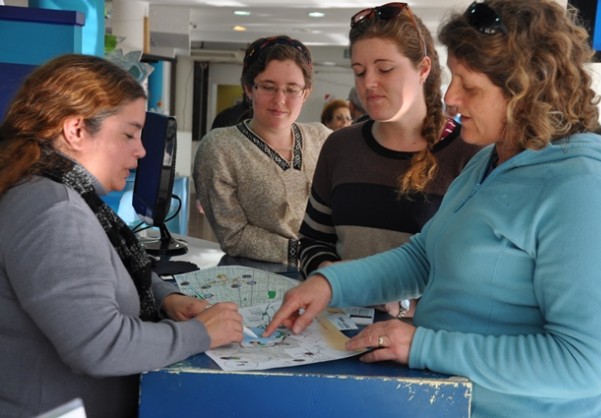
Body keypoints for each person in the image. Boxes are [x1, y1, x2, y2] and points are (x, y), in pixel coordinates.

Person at [267, 1, 601, 417]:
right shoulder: (489, 160)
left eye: (469, 86)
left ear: (526, 90)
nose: (451, 96)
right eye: (453, 77)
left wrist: (422, 346)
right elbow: (424, 256)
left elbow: (580, 363)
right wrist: (332, 284)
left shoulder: (581, 188)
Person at [0, 54, 245, 418]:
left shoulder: (65, 192)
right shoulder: (53, 210)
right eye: (129, 134)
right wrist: (201, 333)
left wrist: (166, 298)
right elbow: (98, 345)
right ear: (76, 130)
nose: (141, 150)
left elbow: (108, 262)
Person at [298, 2, 480, 317]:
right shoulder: (339, 146)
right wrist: (332, 277)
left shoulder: (470, 155)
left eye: (385, 69)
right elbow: (312, 241)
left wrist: (406, 305)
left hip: (427, 341)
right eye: (359, 72)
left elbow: (478, 275)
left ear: (423, 69)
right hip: (337, 331)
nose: (368, 83)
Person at [193, 36, 331, 267]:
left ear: (305, 93)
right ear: (249, 88)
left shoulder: (323, 138)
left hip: (332, 276)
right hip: (259, 281)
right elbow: (234, 236)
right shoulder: (221, 148)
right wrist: (311, 256)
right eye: (268, 87)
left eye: (292, 89)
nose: (280, 100)